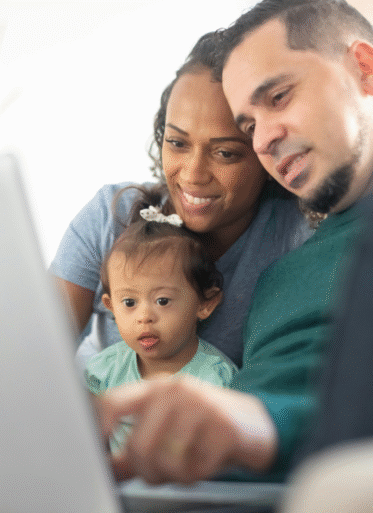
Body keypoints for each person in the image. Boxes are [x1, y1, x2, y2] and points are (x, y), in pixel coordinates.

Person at [97, 0, 373, 485]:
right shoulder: (284, 274)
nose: (263, 140)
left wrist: (256, 424)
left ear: (364, 68)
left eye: (279, 97)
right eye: (249, 126)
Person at [50, 31, 312, 370]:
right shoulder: (109, 217)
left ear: (267, 153)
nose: (193, 175)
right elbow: (37, 354)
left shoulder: (298, 239)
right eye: (177, 143)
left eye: (225, 153)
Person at [85, 186, 238, 451]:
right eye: (129, 303)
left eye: (163, 301)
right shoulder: (103, 371)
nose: (145, 317)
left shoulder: (217, 380)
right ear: (111, 307)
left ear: (205, 303)